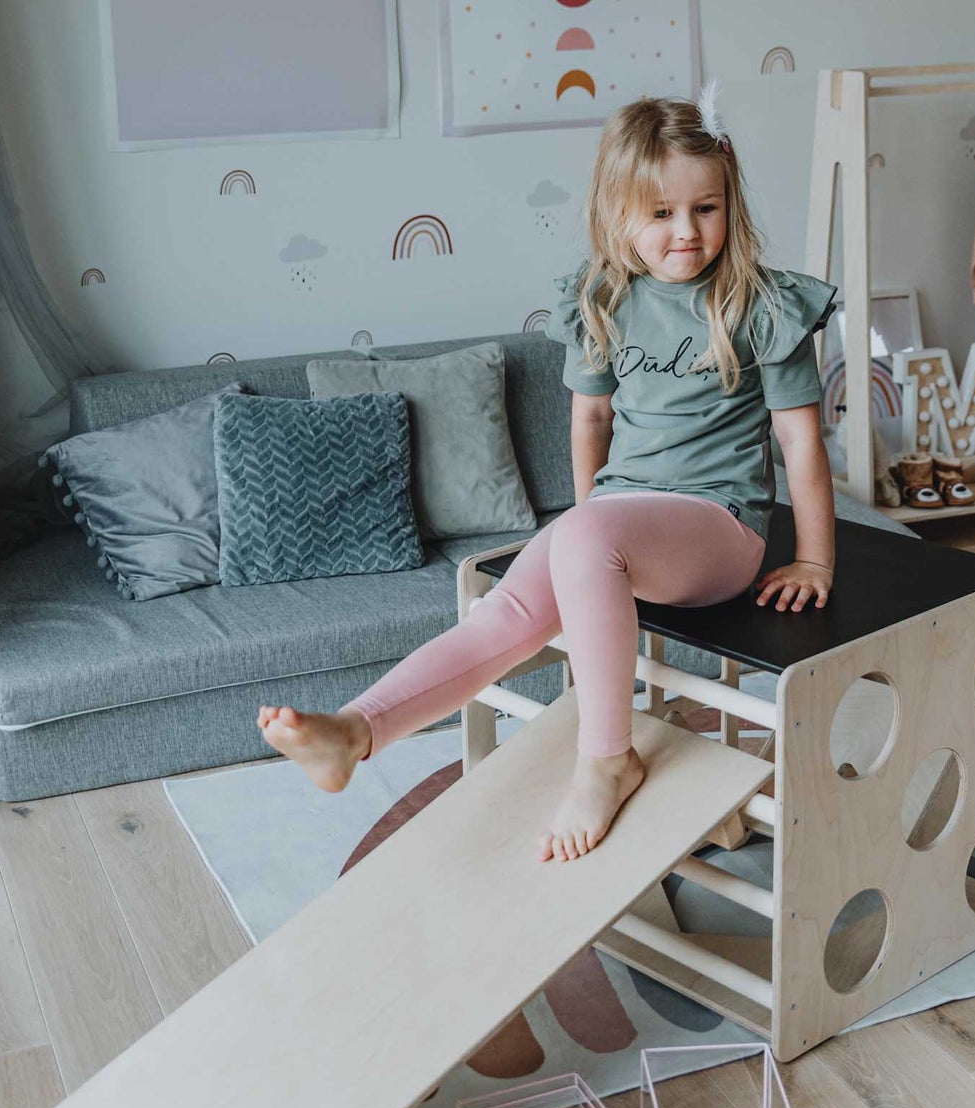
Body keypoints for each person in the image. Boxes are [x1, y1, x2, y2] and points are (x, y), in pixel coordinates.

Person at [258, 85, 838, 863]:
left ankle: (607, 756)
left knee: (585, 532)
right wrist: (584, 529)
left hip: (719, 528)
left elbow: (801, 445)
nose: (686, 233)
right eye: (660, 213)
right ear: (616, 213)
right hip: (625, 523)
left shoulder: (759, 304)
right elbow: (589, 424)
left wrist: (813, 558)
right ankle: (357, 730)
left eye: (705, 208)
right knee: (506, 610)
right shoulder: (602, 300)